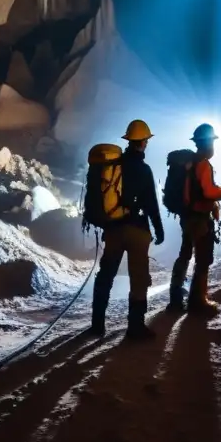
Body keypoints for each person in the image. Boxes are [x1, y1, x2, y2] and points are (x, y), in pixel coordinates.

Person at [90, 119, 165, 340]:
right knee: (139, 278)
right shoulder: (144, 170)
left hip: (114, 230)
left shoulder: (113, 166)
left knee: (106, 275)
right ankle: (135, 327)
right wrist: (159, 230)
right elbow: (151, 203)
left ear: (128, 141)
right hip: (137, 231)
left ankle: (97, 325)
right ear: (143, 142)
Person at [168, 123, 221, 316]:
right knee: (203, 258)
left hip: (186, 216)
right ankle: (198, 301)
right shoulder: (203, 164)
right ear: (208, 143)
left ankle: (175, 297)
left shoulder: (189, 162)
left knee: (185, 253)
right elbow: (208, 191)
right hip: (199, 218)